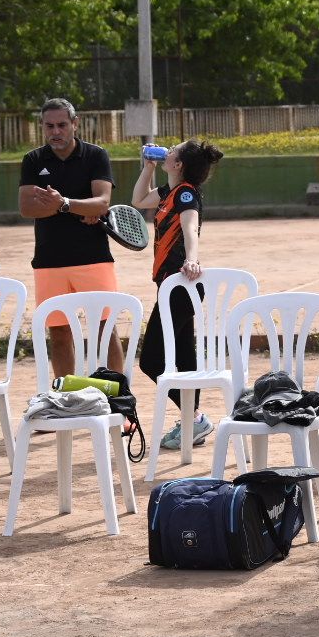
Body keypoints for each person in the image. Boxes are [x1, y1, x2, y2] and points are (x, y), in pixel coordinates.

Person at [17, 98, 122, 378]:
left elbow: (101, 203)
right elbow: (27, 207)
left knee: (104, 328)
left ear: (74, 124)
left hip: (94, 258)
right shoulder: (33, 160)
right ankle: (68, 399)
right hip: (49, 261)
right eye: (49, 126)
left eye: (62, 125)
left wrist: (61, 203)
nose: (56, 131)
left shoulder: (96, 155)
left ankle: (118, 402)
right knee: (60, 333)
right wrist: (78, 207)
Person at [131, 139, 225, 450]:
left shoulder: (185, 193)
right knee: (184, 359)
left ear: (179, 164)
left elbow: (191, 228)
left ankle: (194, 418)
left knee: (151, 360)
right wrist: (148, 168)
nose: (167, 150)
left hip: (181, 284)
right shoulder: (169, 192)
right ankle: (192, 422)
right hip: (172, 285)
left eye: (172, 150)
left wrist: (192, 259)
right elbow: (139, 200)